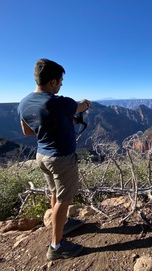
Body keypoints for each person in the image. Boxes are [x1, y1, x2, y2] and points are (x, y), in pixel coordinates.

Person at [18, 58, 92, 260]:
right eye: (60, 81)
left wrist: (53, 123)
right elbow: (80, 106)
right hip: (61, 158)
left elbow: (27, 131)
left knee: (55, 193)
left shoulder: (24, 103)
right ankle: (56, 247)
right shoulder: (60, 102)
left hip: (42, 156)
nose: (61, 85)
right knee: (65, 198)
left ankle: (63, 224)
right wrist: (85, 104)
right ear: (52, 82)